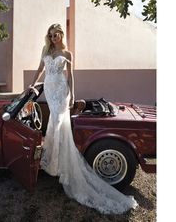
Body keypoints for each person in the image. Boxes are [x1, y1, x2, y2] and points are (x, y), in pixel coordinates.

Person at [28, 23, 138, 214]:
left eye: (56, 35)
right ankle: (55, 162)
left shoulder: (68, 53)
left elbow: (70, 76)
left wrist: (71, 95)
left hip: (61, 91)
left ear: (61, 35)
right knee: (54, 123)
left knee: (59, 122)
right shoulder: (46, 50)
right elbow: (39, 70)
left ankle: (61, 163)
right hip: (50, 89)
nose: (53, 38)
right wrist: (31, 85)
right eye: (51, 35)